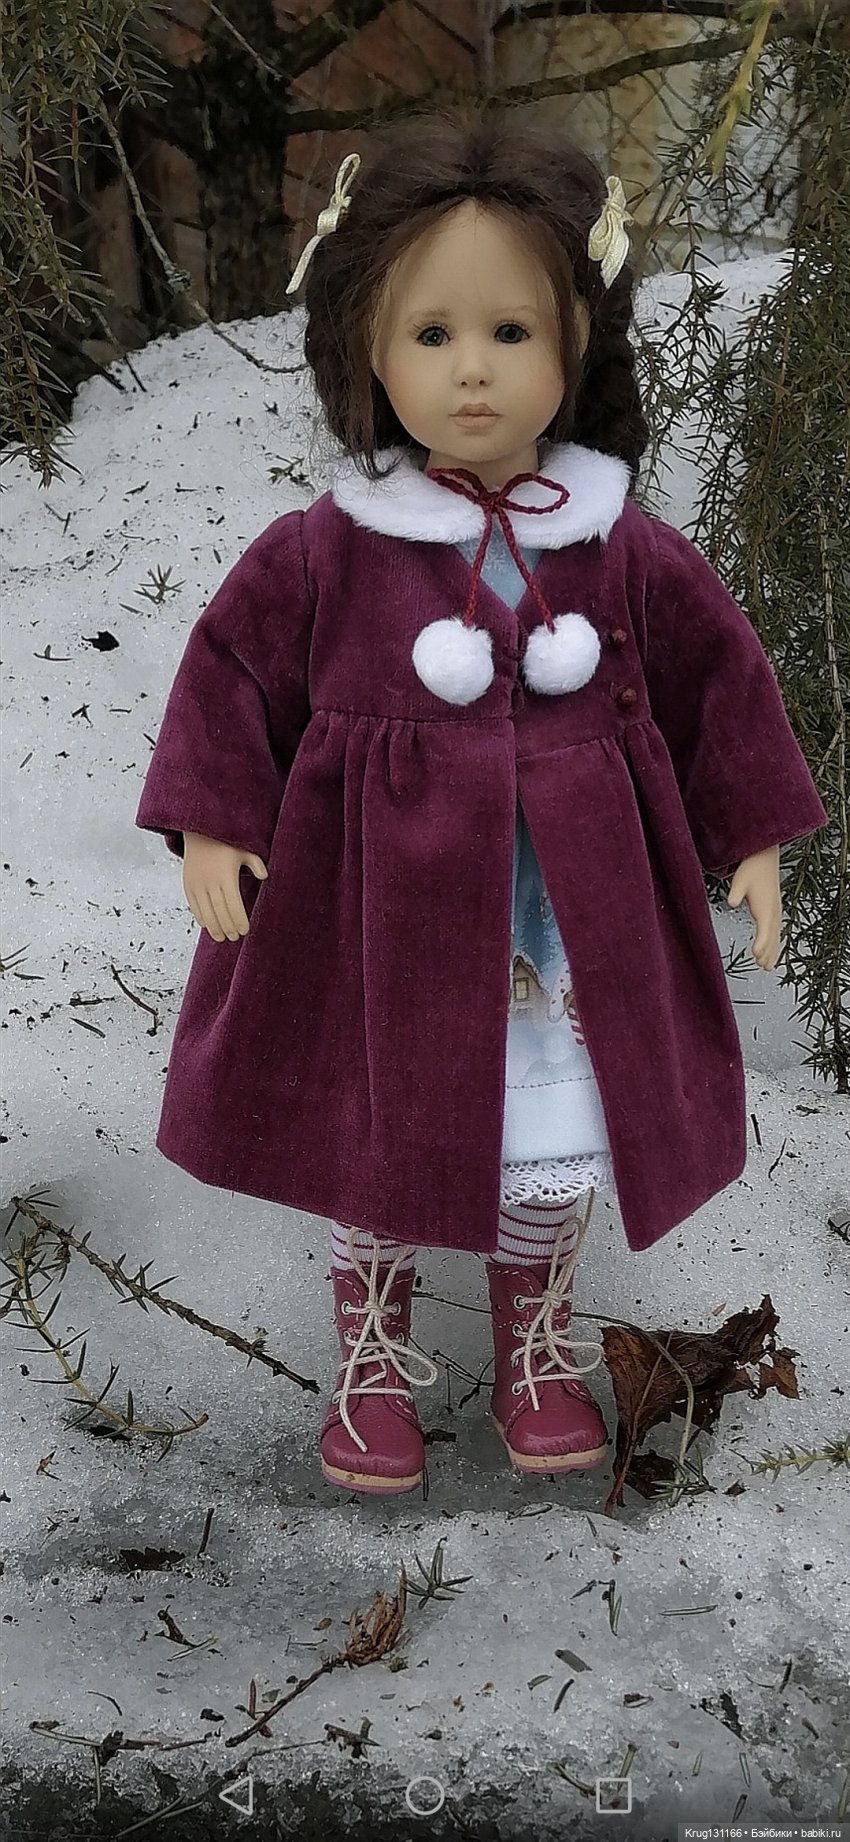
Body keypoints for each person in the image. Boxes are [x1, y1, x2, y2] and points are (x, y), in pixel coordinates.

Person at [135, 102, 828, 1500]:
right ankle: (373, 1355)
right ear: (366, 352)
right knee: (378, 1120)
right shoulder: (328, 549)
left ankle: (534, 1341)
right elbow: (231, 673)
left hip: (564, 909)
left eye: (510, 331)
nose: (470, 370)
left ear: (576, 346)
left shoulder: (616, 545)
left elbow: (716, 677)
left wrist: (747, 833)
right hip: (377, 900)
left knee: (550, 1130)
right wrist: (215, 820)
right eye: (431, 333)